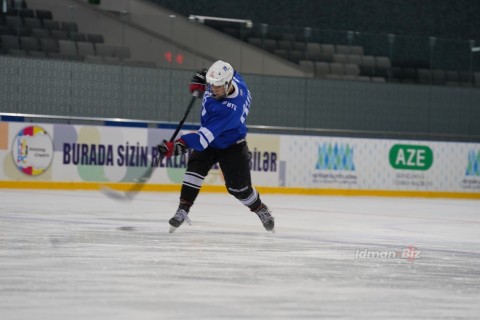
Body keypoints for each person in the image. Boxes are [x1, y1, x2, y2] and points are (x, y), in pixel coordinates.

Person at [158, 60, 275, 233]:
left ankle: (260, 208)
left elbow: (200, 141)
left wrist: (179, 145)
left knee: (239, 190)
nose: (213, 90)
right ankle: (183, 209)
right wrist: (204, 78)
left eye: (218, 87)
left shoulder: (230, 109)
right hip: (211, 139)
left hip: (231, 146)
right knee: (193, 172)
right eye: (211, 85)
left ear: (228, 84)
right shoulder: (234, 80)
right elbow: (226, 70)